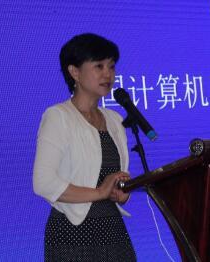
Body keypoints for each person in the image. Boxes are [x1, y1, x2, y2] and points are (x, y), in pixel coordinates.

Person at [33, 33, 137, 261]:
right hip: (72, 232)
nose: (108, 74)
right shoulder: (58, 116)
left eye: (111, 66)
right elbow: (43, 182)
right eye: (99, 66)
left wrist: (121, 193)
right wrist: (99, 192)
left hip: (113, 230)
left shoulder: (114, 120)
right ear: (74, 72)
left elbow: (112, 179)